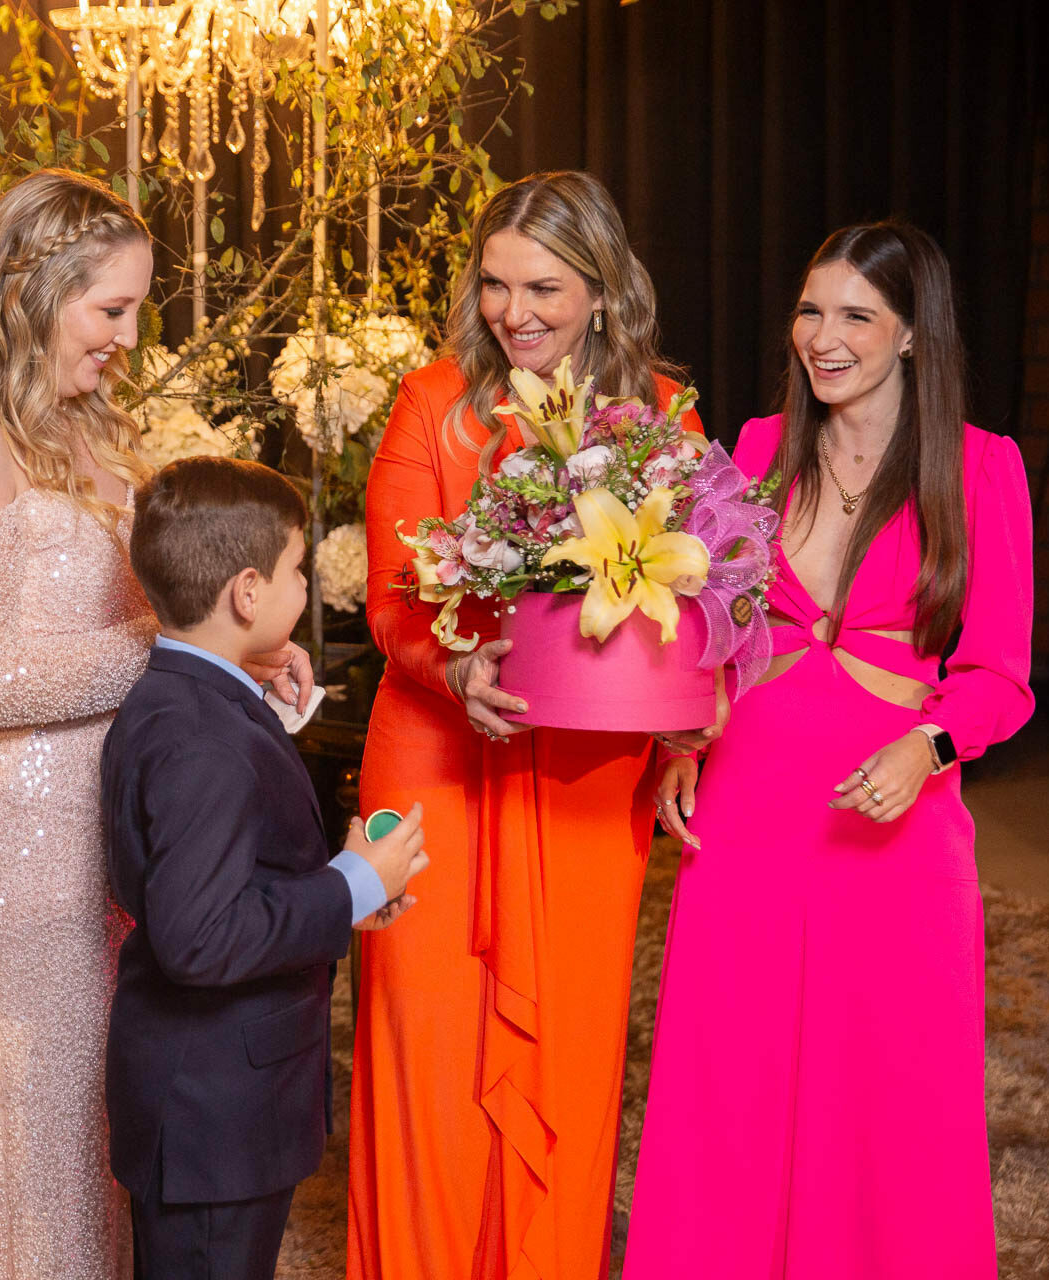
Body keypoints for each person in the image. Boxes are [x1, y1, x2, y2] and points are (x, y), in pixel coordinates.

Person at [0, 169, 313, 1280]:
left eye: (134, 309)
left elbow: (143, 615)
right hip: (5, 827)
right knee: (32, 1122)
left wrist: (243, 652)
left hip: (104, 802)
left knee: (105, 1116)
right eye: (110, 308)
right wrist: (186, 652)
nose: (126, 337)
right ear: (31, 287)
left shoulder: (82, 422)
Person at [625, 222, 1031, 1277]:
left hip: (890, 819)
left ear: (912, 332)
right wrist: (682, 743)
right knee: (731, 1084)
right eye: (811, 310)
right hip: (748, 810)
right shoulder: (758, 447)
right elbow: (710, 627)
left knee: (892, 1097)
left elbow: (1000, 675)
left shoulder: (982, 467)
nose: (824, 336)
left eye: (857, 314)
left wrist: (928, 746)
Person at [346, 169, 704, 1280]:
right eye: (495, 285)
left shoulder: (665, 413)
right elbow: (392, 597)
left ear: (603, 288)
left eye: (543, 287)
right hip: (436, 757)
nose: (514, 312)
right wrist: (452, 665)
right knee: (426, 1039)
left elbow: (706, 598)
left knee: (569, 1050)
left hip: (587, 776)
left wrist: (687, 729)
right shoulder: (432, 401)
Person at [102, 457, 427, 1280]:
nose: (305, 586)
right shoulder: (202, 741)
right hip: (214, 1117)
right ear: (247, 592)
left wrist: (344, 895)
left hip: (212, 1105)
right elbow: (201, 937)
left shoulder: (181, 697)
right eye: (296, 569)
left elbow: (226, 876)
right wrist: (353, 882)